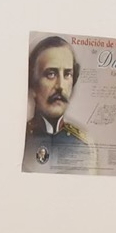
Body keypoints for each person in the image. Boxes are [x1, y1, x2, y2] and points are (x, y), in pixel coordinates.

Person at [23, 35, 91, 171]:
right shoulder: (21, 138)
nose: (60, 86)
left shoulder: (82, 145)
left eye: (67, 74)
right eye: (51, 74)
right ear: (33, 84)